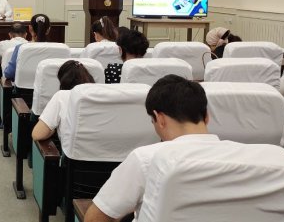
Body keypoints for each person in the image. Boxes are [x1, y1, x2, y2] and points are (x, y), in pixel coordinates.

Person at [84, 75, 218, 222]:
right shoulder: (244, 156)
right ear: (206, 116)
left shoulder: (146, 158)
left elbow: (95, 219)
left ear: (159, 119)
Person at [32, 60, 96, 141]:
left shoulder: (62, 96)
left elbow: (37, 135)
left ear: (64, 81)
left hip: (73, 152)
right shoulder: (104, 97)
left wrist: (52, 130)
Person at [3, 14, 51, 81]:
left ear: (30, 28)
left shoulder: (21, 48)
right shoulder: (61, 49)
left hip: (23, 91)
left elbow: (9, 74)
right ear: (48, 30)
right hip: (51, 91)